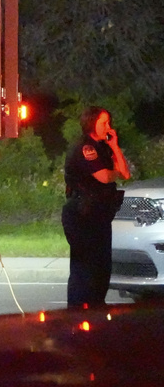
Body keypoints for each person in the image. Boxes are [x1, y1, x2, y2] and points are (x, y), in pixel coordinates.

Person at [62, 106, 130, 309]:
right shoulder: (86, 148)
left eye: (109, 122)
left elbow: (125, 173)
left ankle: (96, 310)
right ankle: (78, 314)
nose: (108, 127)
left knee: (101, 267)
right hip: (82, 215)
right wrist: (115, 172)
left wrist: (115, 146)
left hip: (99, 214)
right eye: (104, 123)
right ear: (92, 123)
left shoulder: (103, 147)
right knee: (84, 268)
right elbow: (104, 177)